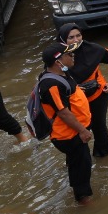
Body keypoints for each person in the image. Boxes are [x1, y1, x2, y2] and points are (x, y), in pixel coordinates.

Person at [38, 42, 94, 204]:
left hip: (74, 130)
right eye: (69, 54)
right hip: (69, 135)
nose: (73, 55)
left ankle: (73, 176)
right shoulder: (50, 85)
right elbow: (62, 112)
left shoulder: (62, 74)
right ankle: (83, 199)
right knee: (82, 165)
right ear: (58, 62)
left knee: (76, 160)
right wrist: (82, 130)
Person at [57, 23, 108, 158]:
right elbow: (52, 80)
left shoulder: (93, 49)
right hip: (74, 101)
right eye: (71, 37)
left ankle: (105, 158)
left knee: (99, 127)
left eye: (78, 35)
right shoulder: (56, 57)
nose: (76, 40)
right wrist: (74, 88)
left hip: (97, 95)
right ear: (62, 40)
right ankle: (78, 161)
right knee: (77, 131)